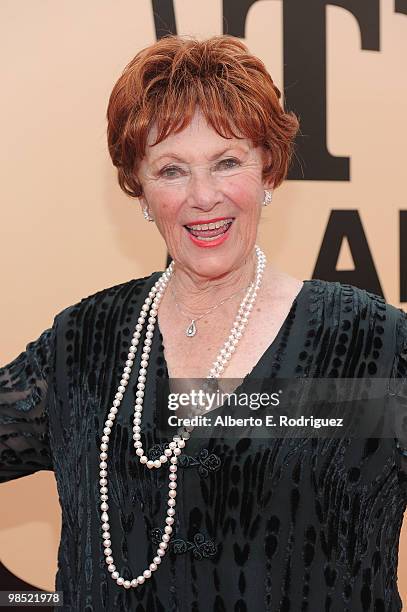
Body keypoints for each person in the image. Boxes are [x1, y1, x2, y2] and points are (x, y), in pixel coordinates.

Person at [1, 34, 406, 612]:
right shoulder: (83, 343)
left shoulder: (378, 347)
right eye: (171, 170)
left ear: (268, 172)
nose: (203, 196)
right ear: (139, 188)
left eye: (227, 162)